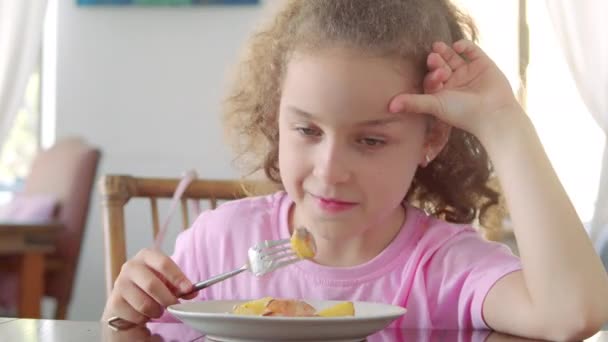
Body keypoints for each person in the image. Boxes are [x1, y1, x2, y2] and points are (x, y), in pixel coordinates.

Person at [101, 0, 608, 339]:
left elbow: (574, 314)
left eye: (369, 140)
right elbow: (139, 332)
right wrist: (124, 318)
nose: (330, 170)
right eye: (307, 131)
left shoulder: (445, 268)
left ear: (428, 139)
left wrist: (503, 124)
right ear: (275, 118)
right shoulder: (219, 245)